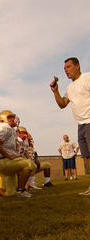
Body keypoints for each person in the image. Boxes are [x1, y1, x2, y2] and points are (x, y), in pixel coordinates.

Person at [49, 57, 90, 194]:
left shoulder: (87, 78)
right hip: (81, 124)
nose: (66, 70)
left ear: (77, 66)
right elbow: (62, 104)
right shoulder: (70, 87)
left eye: (68, 67)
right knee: (87, 156)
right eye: (64, 69)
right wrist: (55, 91)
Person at [0, 110, 36, 198]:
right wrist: (9, 156)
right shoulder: (4, 127)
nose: (13, 119)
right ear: (2, 119)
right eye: (10, 117)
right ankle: (21, 190)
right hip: (4, 161)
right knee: (29, 164)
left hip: (7, 161)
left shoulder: (10, 129)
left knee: (10, 194)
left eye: (13, 117)